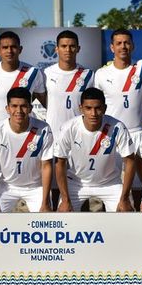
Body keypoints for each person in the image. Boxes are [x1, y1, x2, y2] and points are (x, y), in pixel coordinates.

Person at [94, 28, 142, 212]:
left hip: (136, 134)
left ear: (133, 46)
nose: (123, 46)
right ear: (112, 47)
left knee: (138, 185)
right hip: (109, 135)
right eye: (118, 43)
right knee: (109, 186)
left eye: (127, 42)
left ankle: (137, 219)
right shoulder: (101, 74)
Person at [55, 87, 135, 212]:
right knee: (64, 214)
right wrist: (65, 200)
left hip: (110, 183)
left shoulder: (117, 127)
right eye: (88, 108)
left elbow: (130, 161)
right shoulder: (68, 128)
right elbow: (60, 163)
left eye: (98, 108)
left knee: (125, 213)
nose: (93, 113)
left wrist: (124, 198)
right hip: (76, 183)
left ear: (104, 108)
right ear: (81, 108)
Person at [43, 30, 94, 208]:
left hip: (80, 139)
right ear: (56, 49)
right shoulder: (46, 74)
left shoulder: (88, 75)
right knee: (56, 189)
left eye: (72, 46)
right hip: (54, 139)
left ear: (78, 48)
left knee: (81, 188)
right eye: (64, 46)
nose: (68, 50)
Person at [0, 87, 53, 212]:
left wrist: (45, 201)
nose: (19, 111)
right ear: (7, 109)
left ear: (30, 108)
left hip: (35, 187)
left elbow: (46, 166)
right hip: (6, 185)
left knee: (44, 224)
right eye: (14, 106)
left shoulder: (44, 129)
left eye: (23, 106)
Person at [0, 31, 47, 125]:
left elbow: (42, 99)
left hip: (26, 131)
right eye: (5, 47)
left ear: (20, 49)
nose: (9, 51)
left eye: (13, 47)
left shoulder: (33, 72)